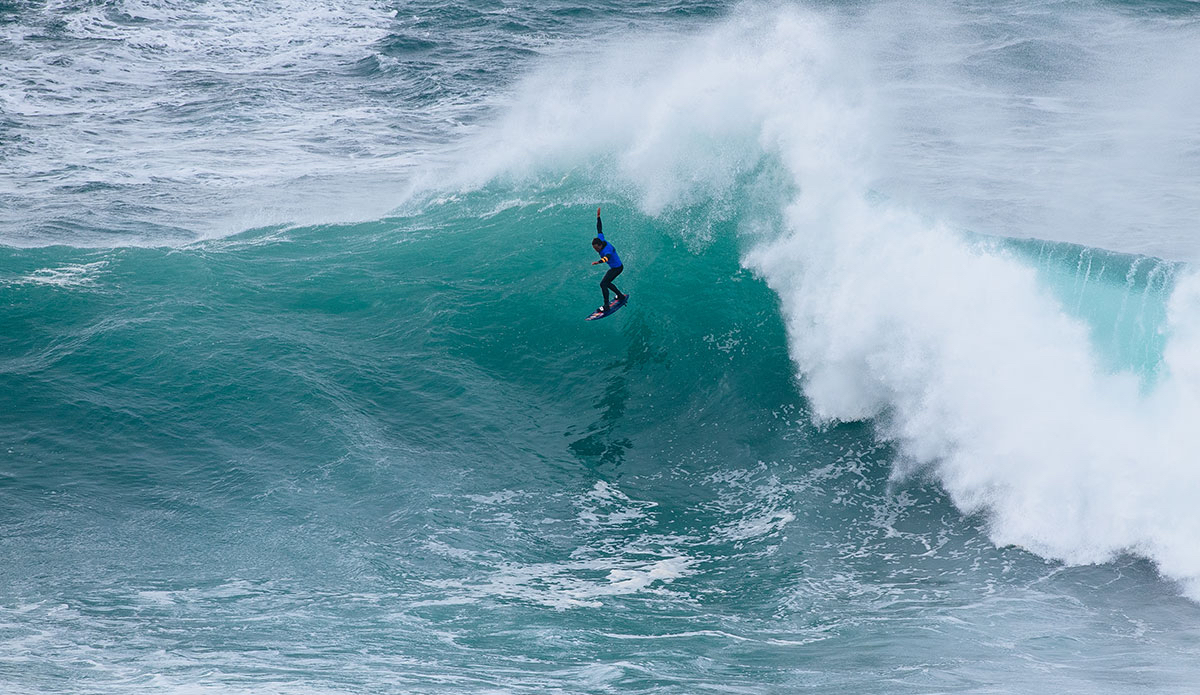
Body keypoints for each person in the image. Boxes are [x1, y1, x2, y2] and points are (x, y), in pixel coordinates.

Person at [590, 206, 628, 312]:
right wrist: (598, 217)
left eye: (596, 248)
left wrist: (598, 262)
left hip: (617, 268)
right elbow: (599, 229)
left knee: (603, 284)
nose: (596, 250)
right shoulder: (600, 239)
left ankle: (606, 306)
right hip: (615, 267)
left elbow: (607, 258)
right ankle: (620, 296)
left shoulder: (607, 250)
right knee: (606, 283)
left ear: (600, 245)